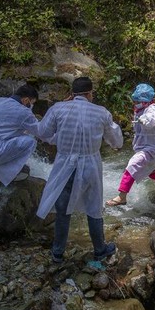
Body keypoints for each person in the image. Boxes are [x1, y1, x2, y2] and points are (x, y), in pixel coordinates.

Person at [36, 77, 123, 263]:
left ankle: (58, 252)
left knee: (62, 208)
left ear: (72, 93)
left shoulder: (58, 108)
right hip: (91, 163)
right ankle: (100, 250)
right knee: (94, 207)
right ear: (90, 93)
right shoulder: (101, 112)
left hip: (65, 164)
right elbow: (117, 142)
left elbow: (42, 133)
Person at [106, 83, 155, 207]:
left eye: (138, 100)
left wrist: (145, 119)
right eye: (135, 100)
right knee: (150, 170)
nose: (135, 103)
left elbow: (152, 120)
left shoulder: (152, 108)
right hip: (146, 147)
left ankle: (122, 197)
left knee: (133, 164)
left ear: (145, 100)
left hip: (153, 148)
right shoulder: (140, 110)